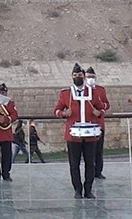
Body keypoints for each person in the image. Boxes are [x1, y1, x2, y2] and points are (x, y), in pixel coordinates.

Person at [54, 63, 105, 199]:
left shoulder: (92, 93)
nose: (77, 77)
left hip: (90, 136)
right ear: (72, 77)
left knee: (90, 163)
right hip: (73, 136)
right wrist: (64, 114)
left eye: (80, 75)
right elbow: (57, 110)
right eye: (75, 75)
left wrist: (98, 112)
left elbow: (103, 109)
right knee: (74, 164)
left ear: (84, 76)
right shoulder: (66, 94)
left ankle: (88, 189)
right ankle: (77, 189)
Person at [85, 66, 109, 179]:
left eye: (92, 77)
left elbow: (106, 104)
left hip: (99, 124)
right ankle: (89, 171)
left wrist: (100, 108)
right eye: (88, 77)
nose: (91, 79)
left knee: (99, 150)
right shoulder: (82, 90)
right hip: (87, 124)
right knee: (89, 151)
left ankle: (98, 171)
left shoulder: (101, 90)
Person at [0, 82, 18, 181]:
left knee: (6, 155)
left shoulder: (10, 103)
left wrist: (6, 119)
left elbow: (15, 115)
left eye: (4, 92)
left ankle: (6, 173)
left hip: (6, 132)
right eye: (0, 92)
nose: (2, 94)